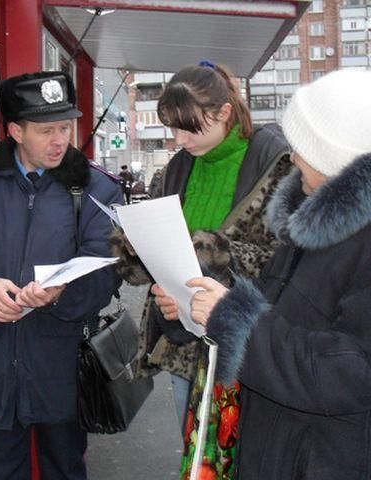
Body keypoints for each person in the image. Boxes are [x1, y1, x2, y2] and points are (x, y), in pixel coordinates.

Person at [156, 69, 371, 479]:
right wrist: (200, 303)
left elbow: (354, 373)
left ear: (334, 156)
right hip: (280, 443)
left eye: (303, 147)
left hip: (322, 458)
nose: (292, 157)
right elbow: (277, 308)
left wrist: (233, 319)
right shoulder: (312, 217)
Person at [0, 71, 122, 480]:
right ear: (15, 130)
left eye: (65, 127)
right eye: (46, 130)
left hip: (62, 366)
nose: (59, 140)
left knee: (66, 468)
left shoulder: (97, 189)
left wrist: (61, 292)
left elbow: (108, 271)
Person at [110, 62, 292, 431]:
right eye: (173, 127)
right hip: (186, 350)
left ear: (224, 112)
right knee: (199, 461)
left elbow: (289, 261)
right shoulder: (177, 168)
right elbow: (164, 249)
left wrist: (215, 252)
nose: (179, 139)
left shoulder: (277, 165)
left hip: (250, 347)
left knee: (247, 458)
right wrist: (136, 248)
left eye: (188, 127)